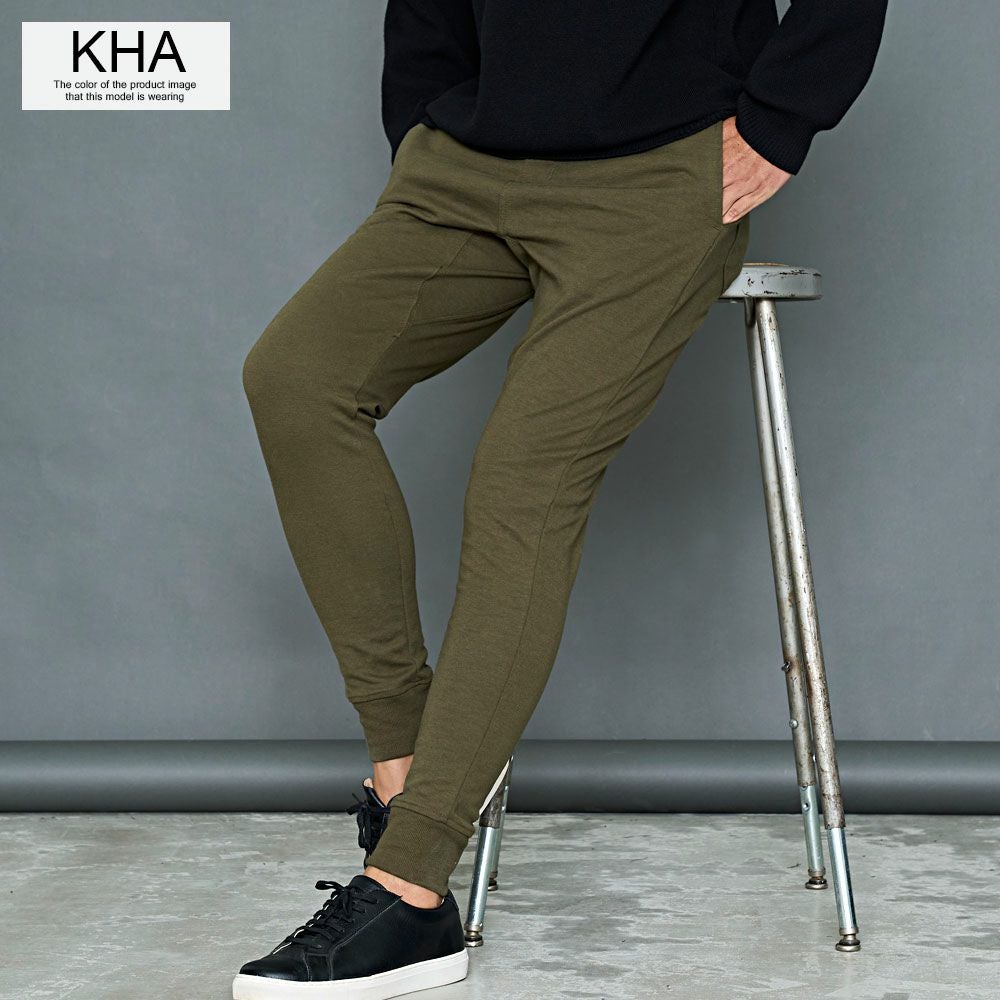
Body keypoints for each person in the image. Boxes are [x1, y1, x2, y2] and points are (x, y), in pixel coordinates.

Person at [233, 1, 888, 997]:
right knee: (295, 379)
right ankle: (405, 770)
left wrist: (779, 119)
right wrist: (422, 123)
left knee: (522, 481)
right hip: (465, 163)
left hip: (660, 172)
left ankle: (410, 889)